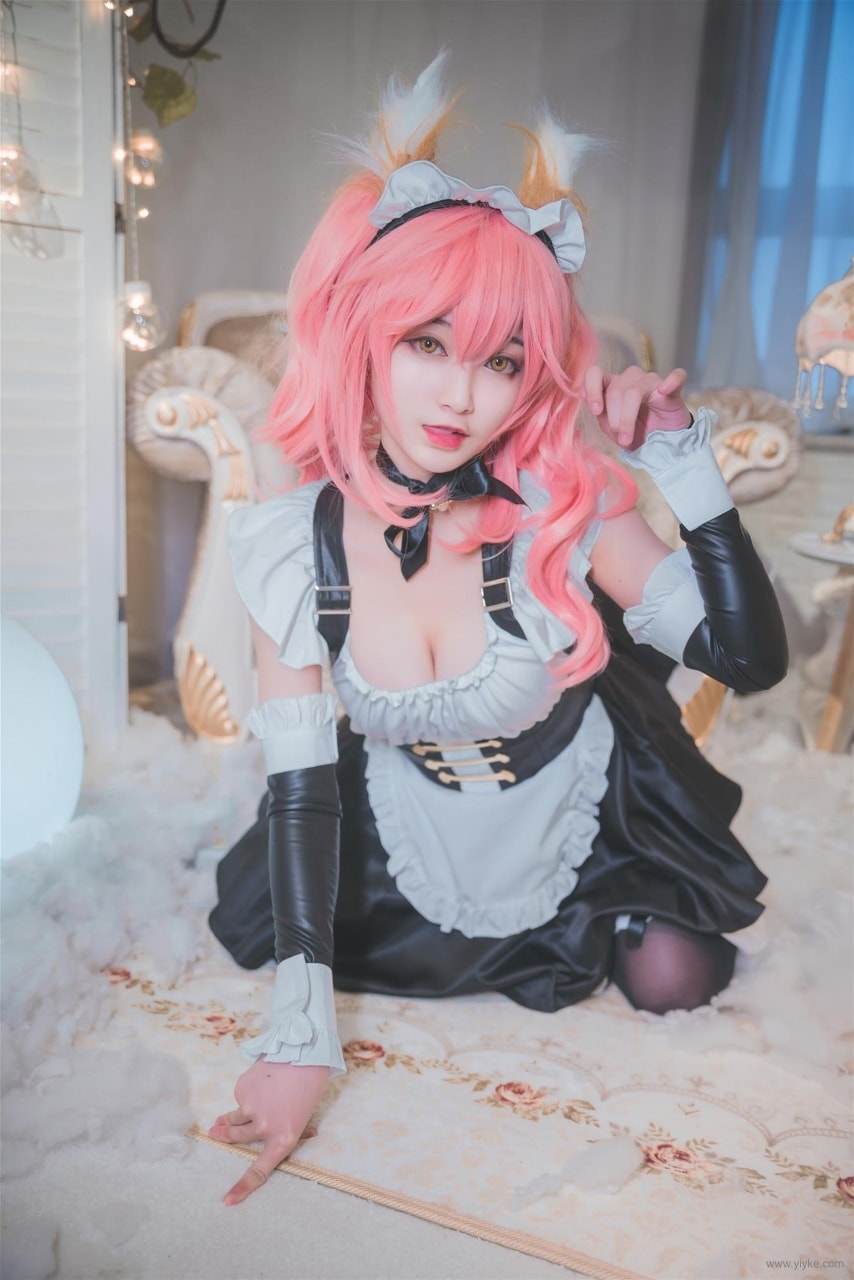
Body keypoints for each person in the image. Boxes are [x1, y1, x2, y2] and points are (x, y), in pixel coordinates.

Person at [206, 56, 787, 1205]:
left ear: (532, 376)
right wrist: (298, 1040)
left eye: (500, 360)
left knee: (675, 976)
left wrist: (678, 459)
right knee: (285, 935)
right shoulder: (290, 540)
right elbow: (302, 790)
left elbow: (746, 659)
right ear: (363, 337)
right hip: (403, 814)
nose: (458, 395)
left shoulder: (568, 509)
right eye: (426, 342)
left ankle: (602, 907)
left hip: (575, 811)